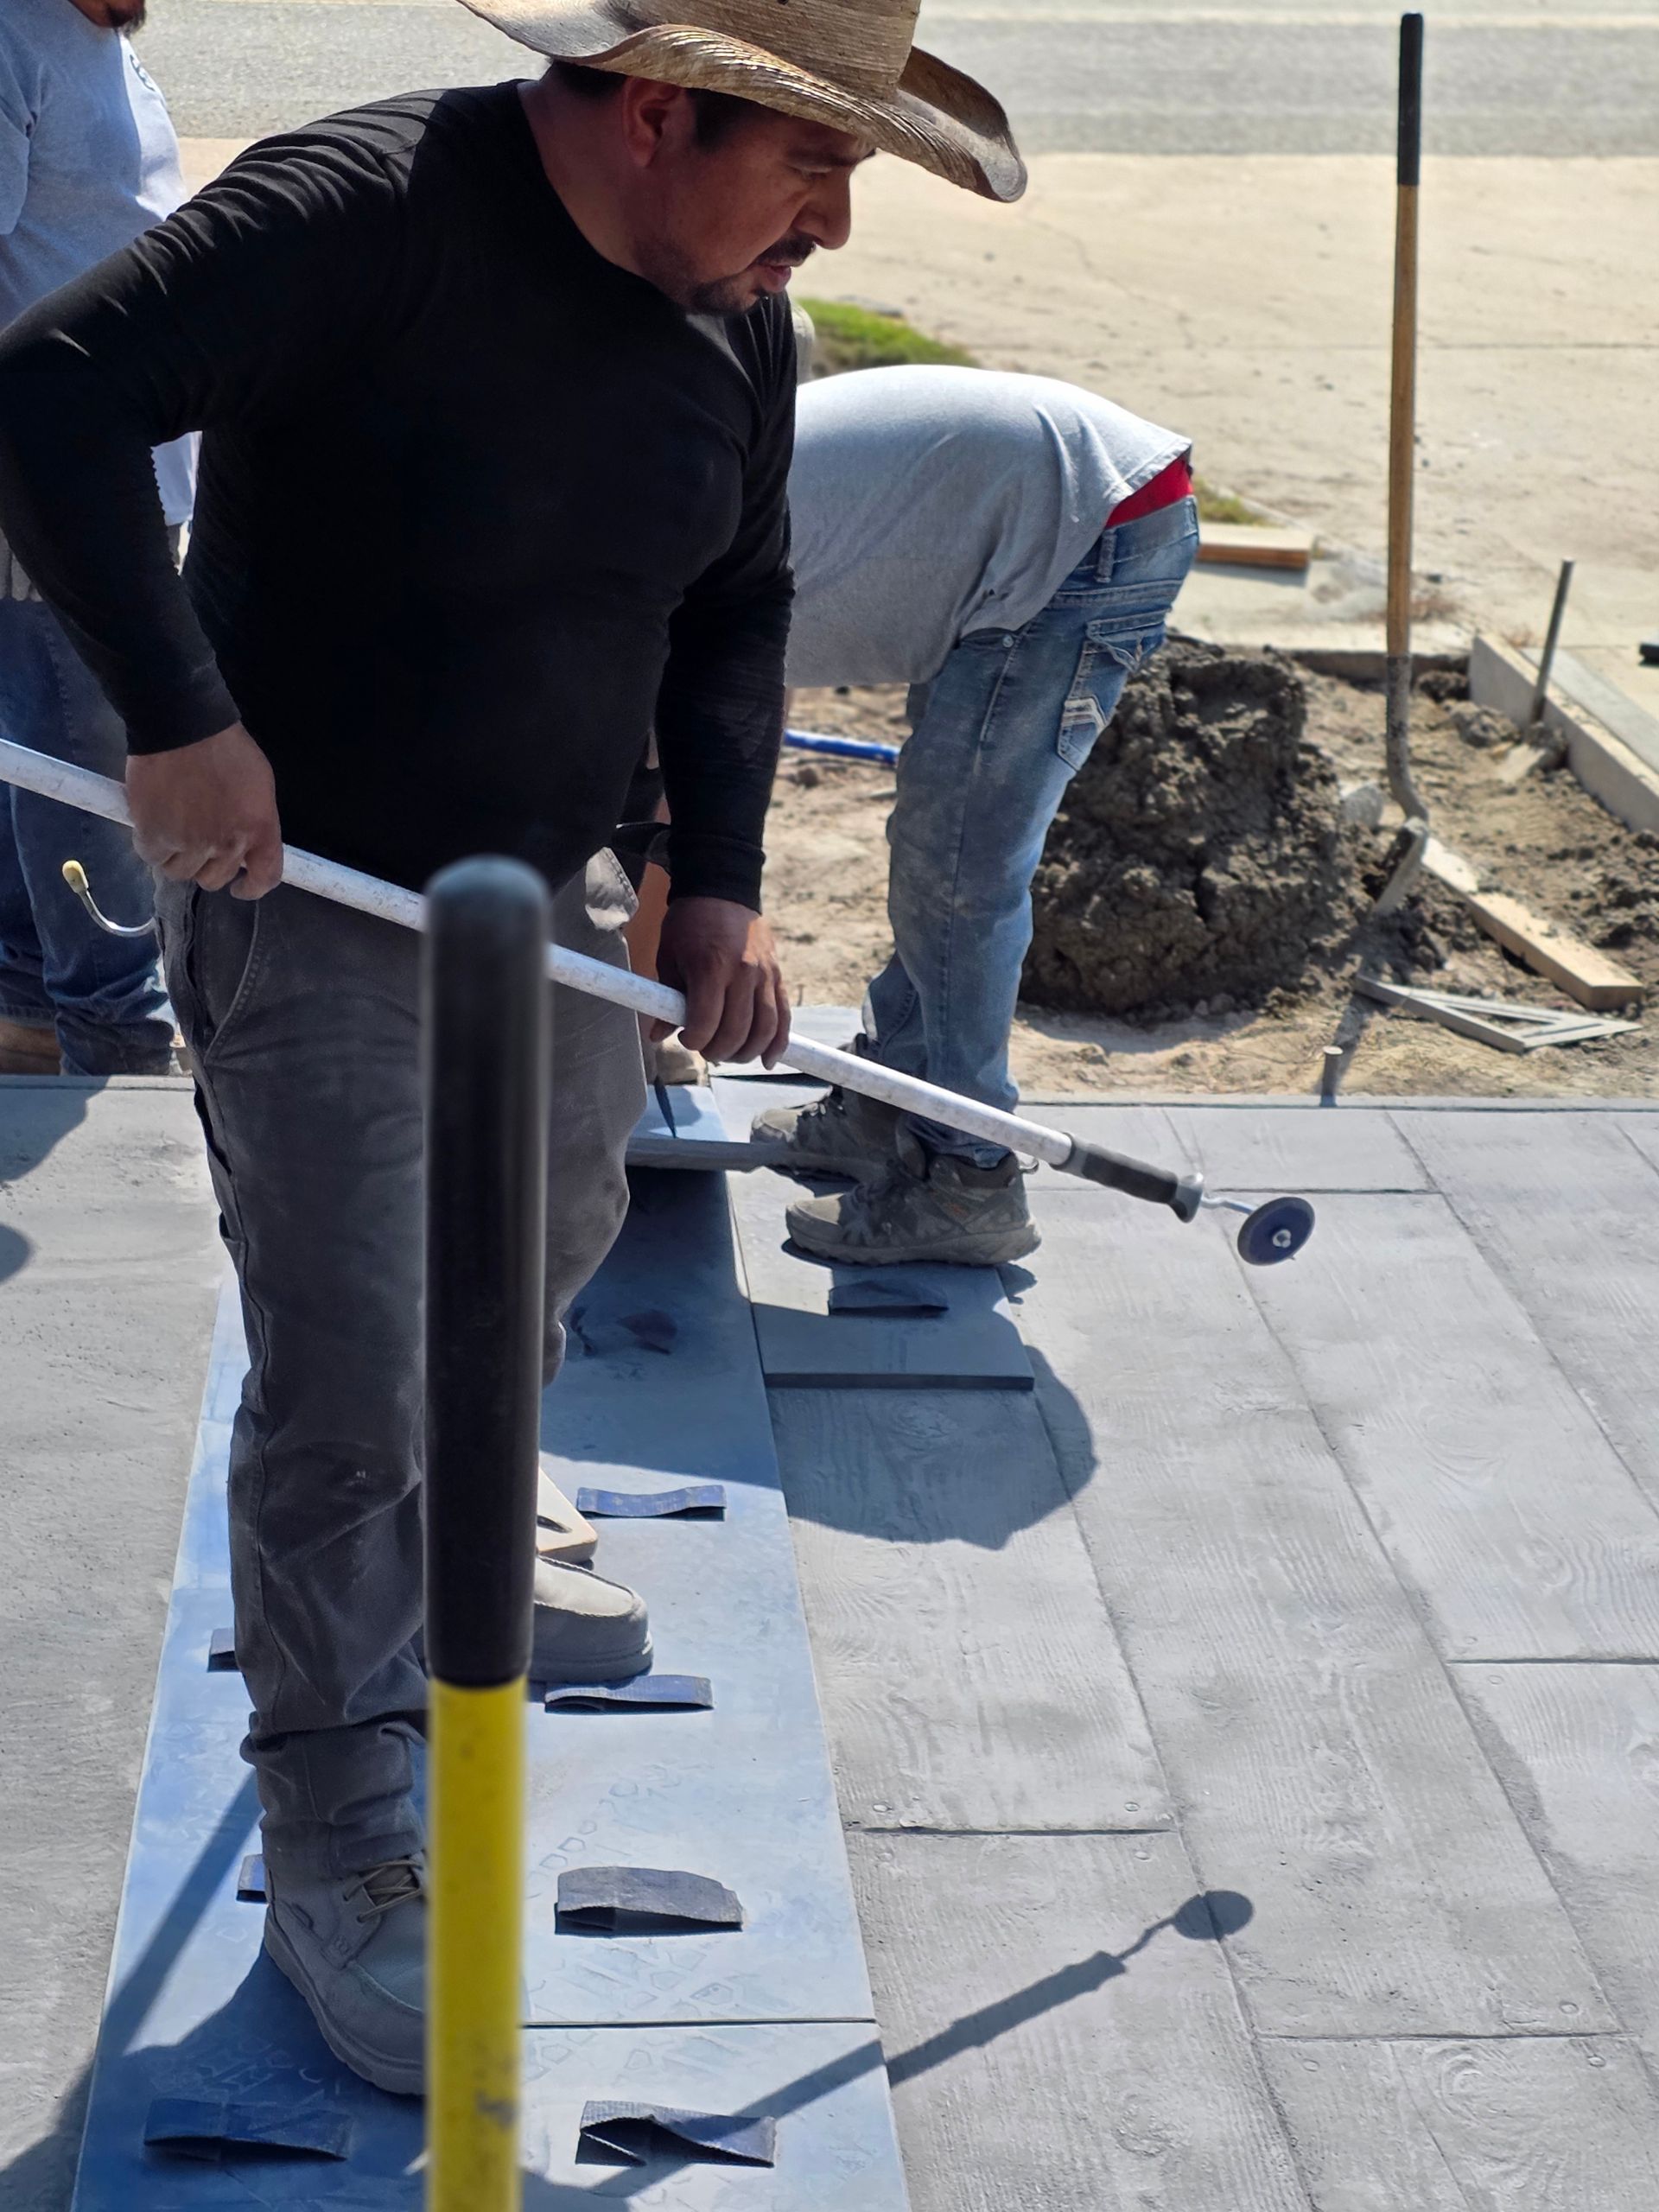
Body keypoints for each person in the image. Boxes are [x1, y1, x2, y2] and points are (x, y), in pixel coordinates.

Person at [0, 0, 1023, 2094]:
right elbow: (50, 404)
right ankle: (346, 1818)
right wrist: (180, 719)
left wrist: (713, 874)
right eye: (813, 163)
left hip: (549, 904)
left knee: (524, 1296)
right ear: (656, 112)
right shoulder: (365, 211)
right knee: (357, 1376)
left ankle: (461, 1533)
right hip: (319, 896)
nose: (832, 221)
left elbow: (736, 594)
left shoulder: (727, 310)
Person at [754, 364, 1198, 1265]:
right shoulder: (648, 507)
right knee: (940, 854)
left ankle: (967, 1176)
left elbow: (702, 752)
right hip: (1021, 517)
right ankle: (894, 1096)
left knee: (958, 871)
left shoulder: (647, 551)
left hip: (1081, 529)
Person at [0, 0, 190, 1077]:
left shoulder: (98, 34)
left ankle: (28, 1009)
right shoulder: (11, 33)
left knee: (41, 741)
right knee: (85, 754)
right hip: (56, 479)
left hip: (122, 467)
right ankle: (116, 1031)